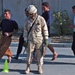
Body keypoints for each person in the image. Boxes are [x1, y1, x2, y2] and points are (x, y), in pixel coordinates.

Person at [23, 5, 48, 74]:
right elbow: (25, 30)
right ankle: (28, 67)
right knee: (29, 55)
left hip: (39, 39)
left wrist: (46, 38)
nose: (30, 15)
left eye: (31, 14)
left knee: (39, 55)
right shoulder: (27, 20)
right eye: (29, 14)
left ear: (34, 13)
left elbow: (45, 29)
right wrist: (25, 40)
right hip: (30, 39)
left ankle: (39, 67)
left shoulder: (41, 19)